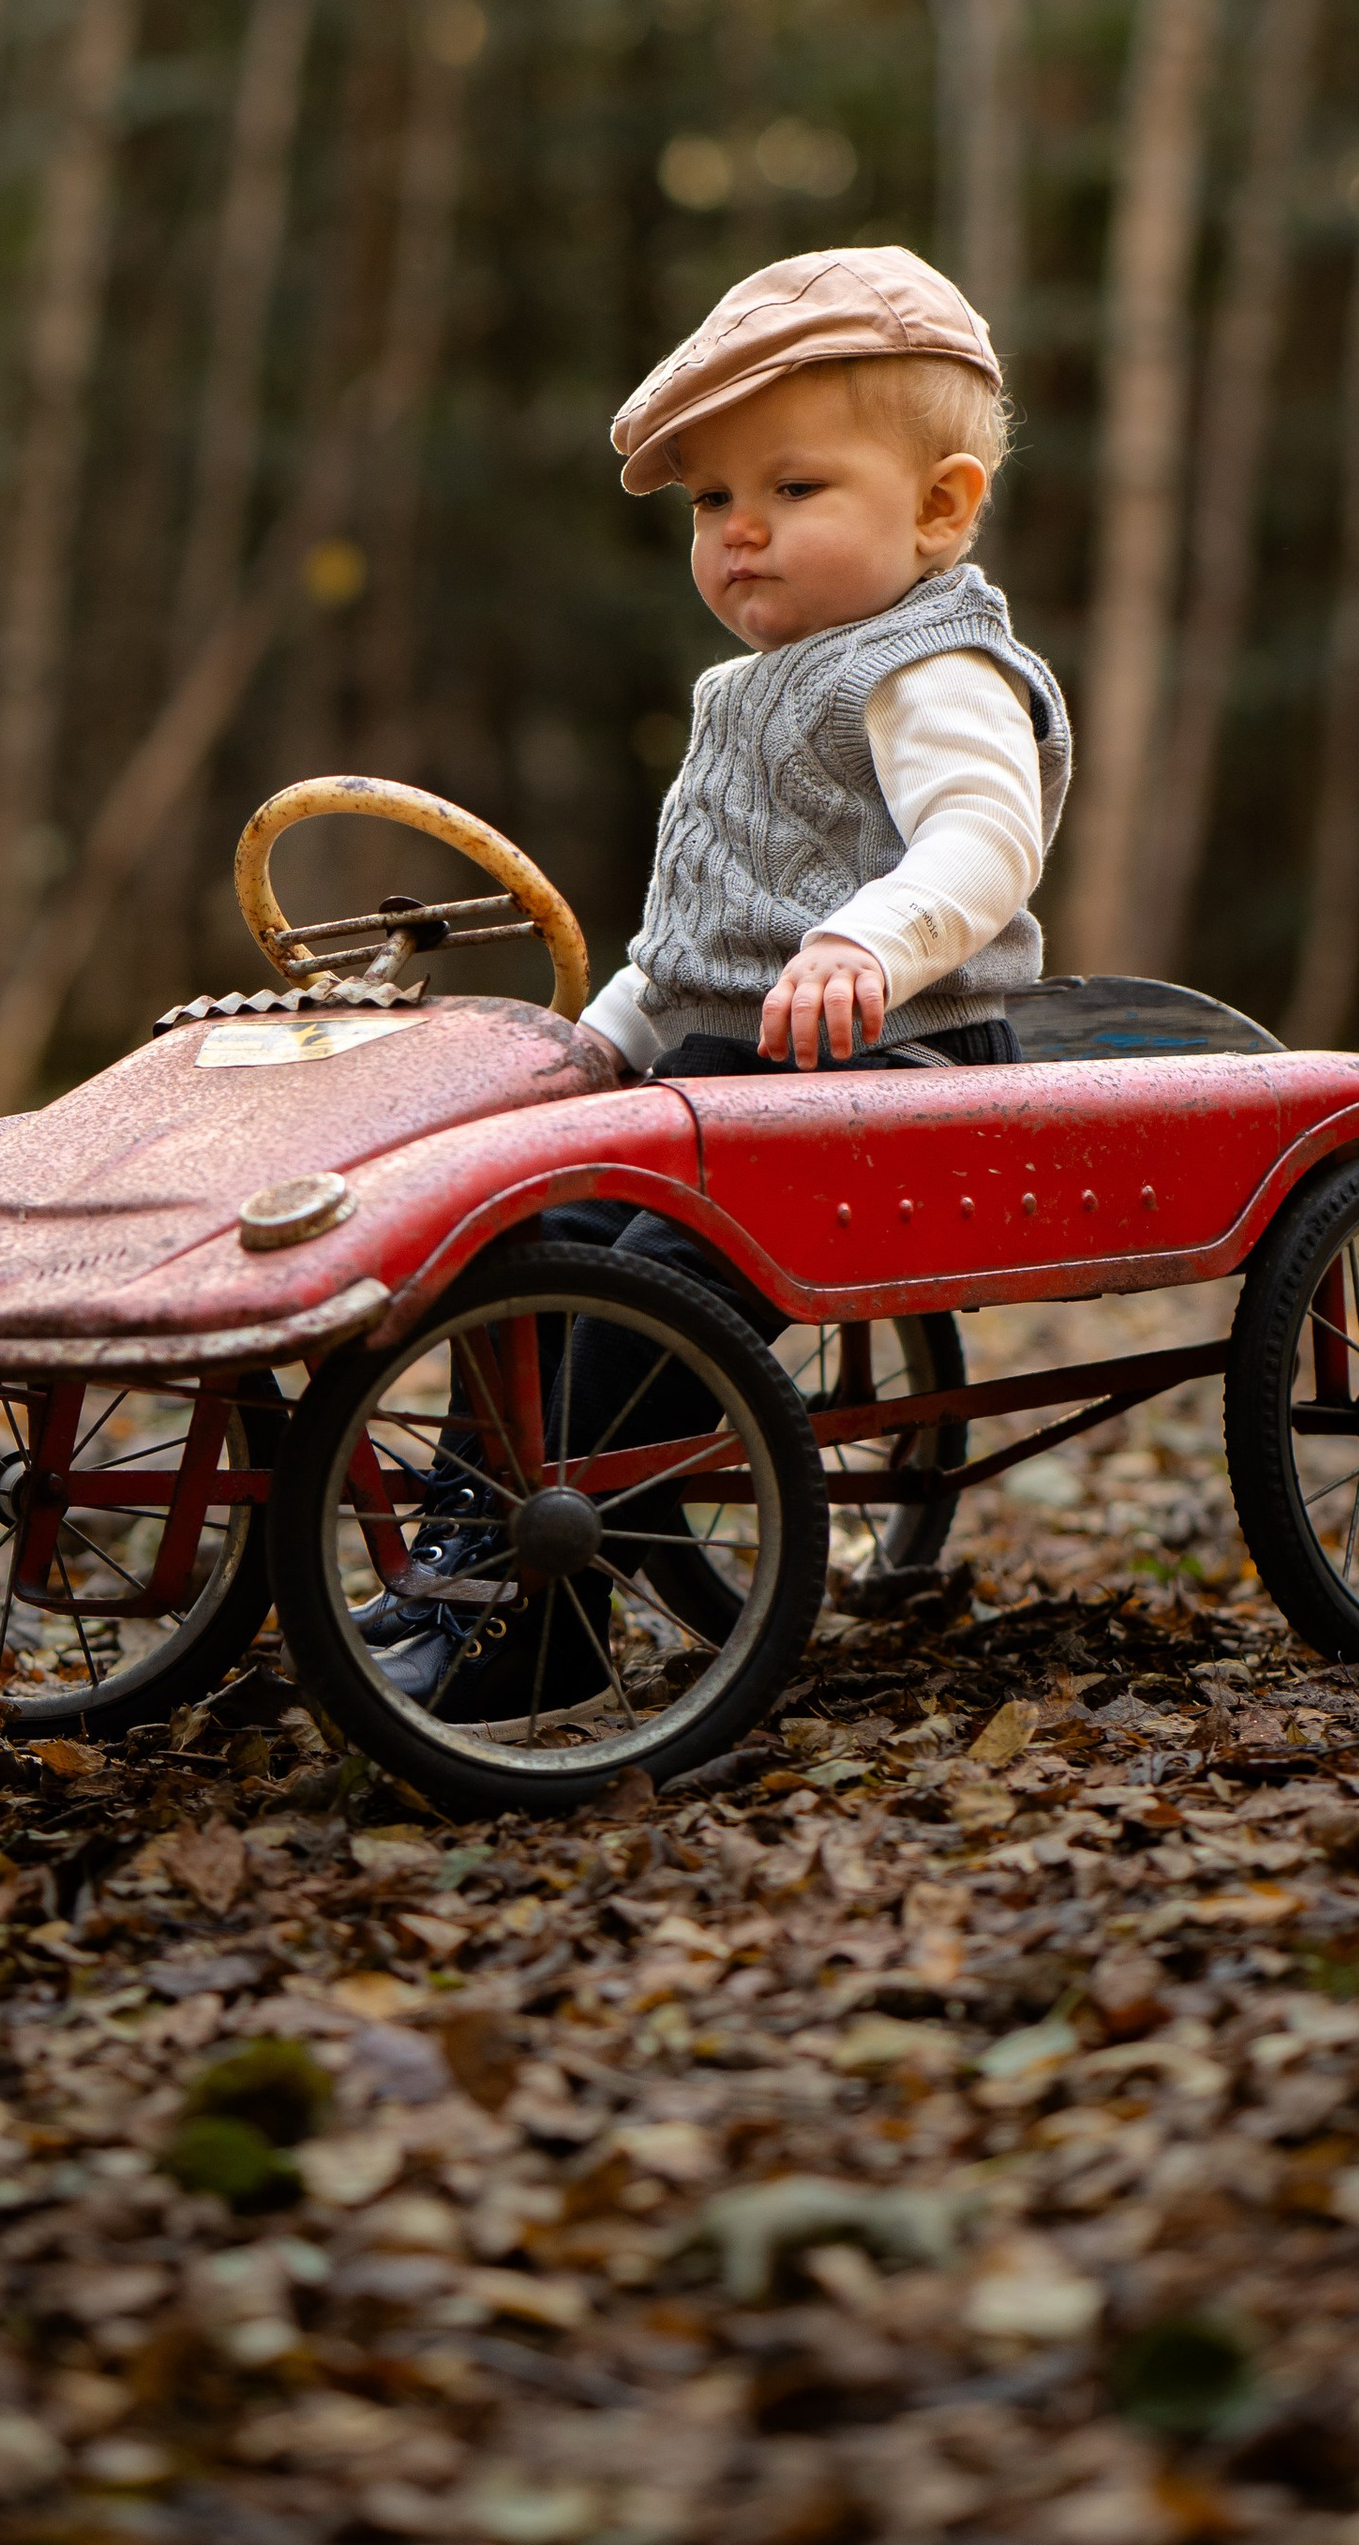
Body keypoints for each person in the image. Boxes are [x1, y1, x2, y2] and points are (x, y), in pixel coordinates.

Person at [361, 245, 1072, 1714]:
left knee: (635, 1292)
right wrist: (603, 1042)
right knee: (513, 1248)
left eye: (794, 490)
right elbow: (692, 934)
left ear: (940, 507)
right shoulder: (741, 691)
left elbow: (986, 840)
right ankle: (470, 1556)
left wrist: (870, 941)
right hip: (727, 1085)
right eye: (711, 502)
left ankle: (542, 1613)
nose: (740, 532)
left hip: (897, 1070)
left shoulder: (933, 666)